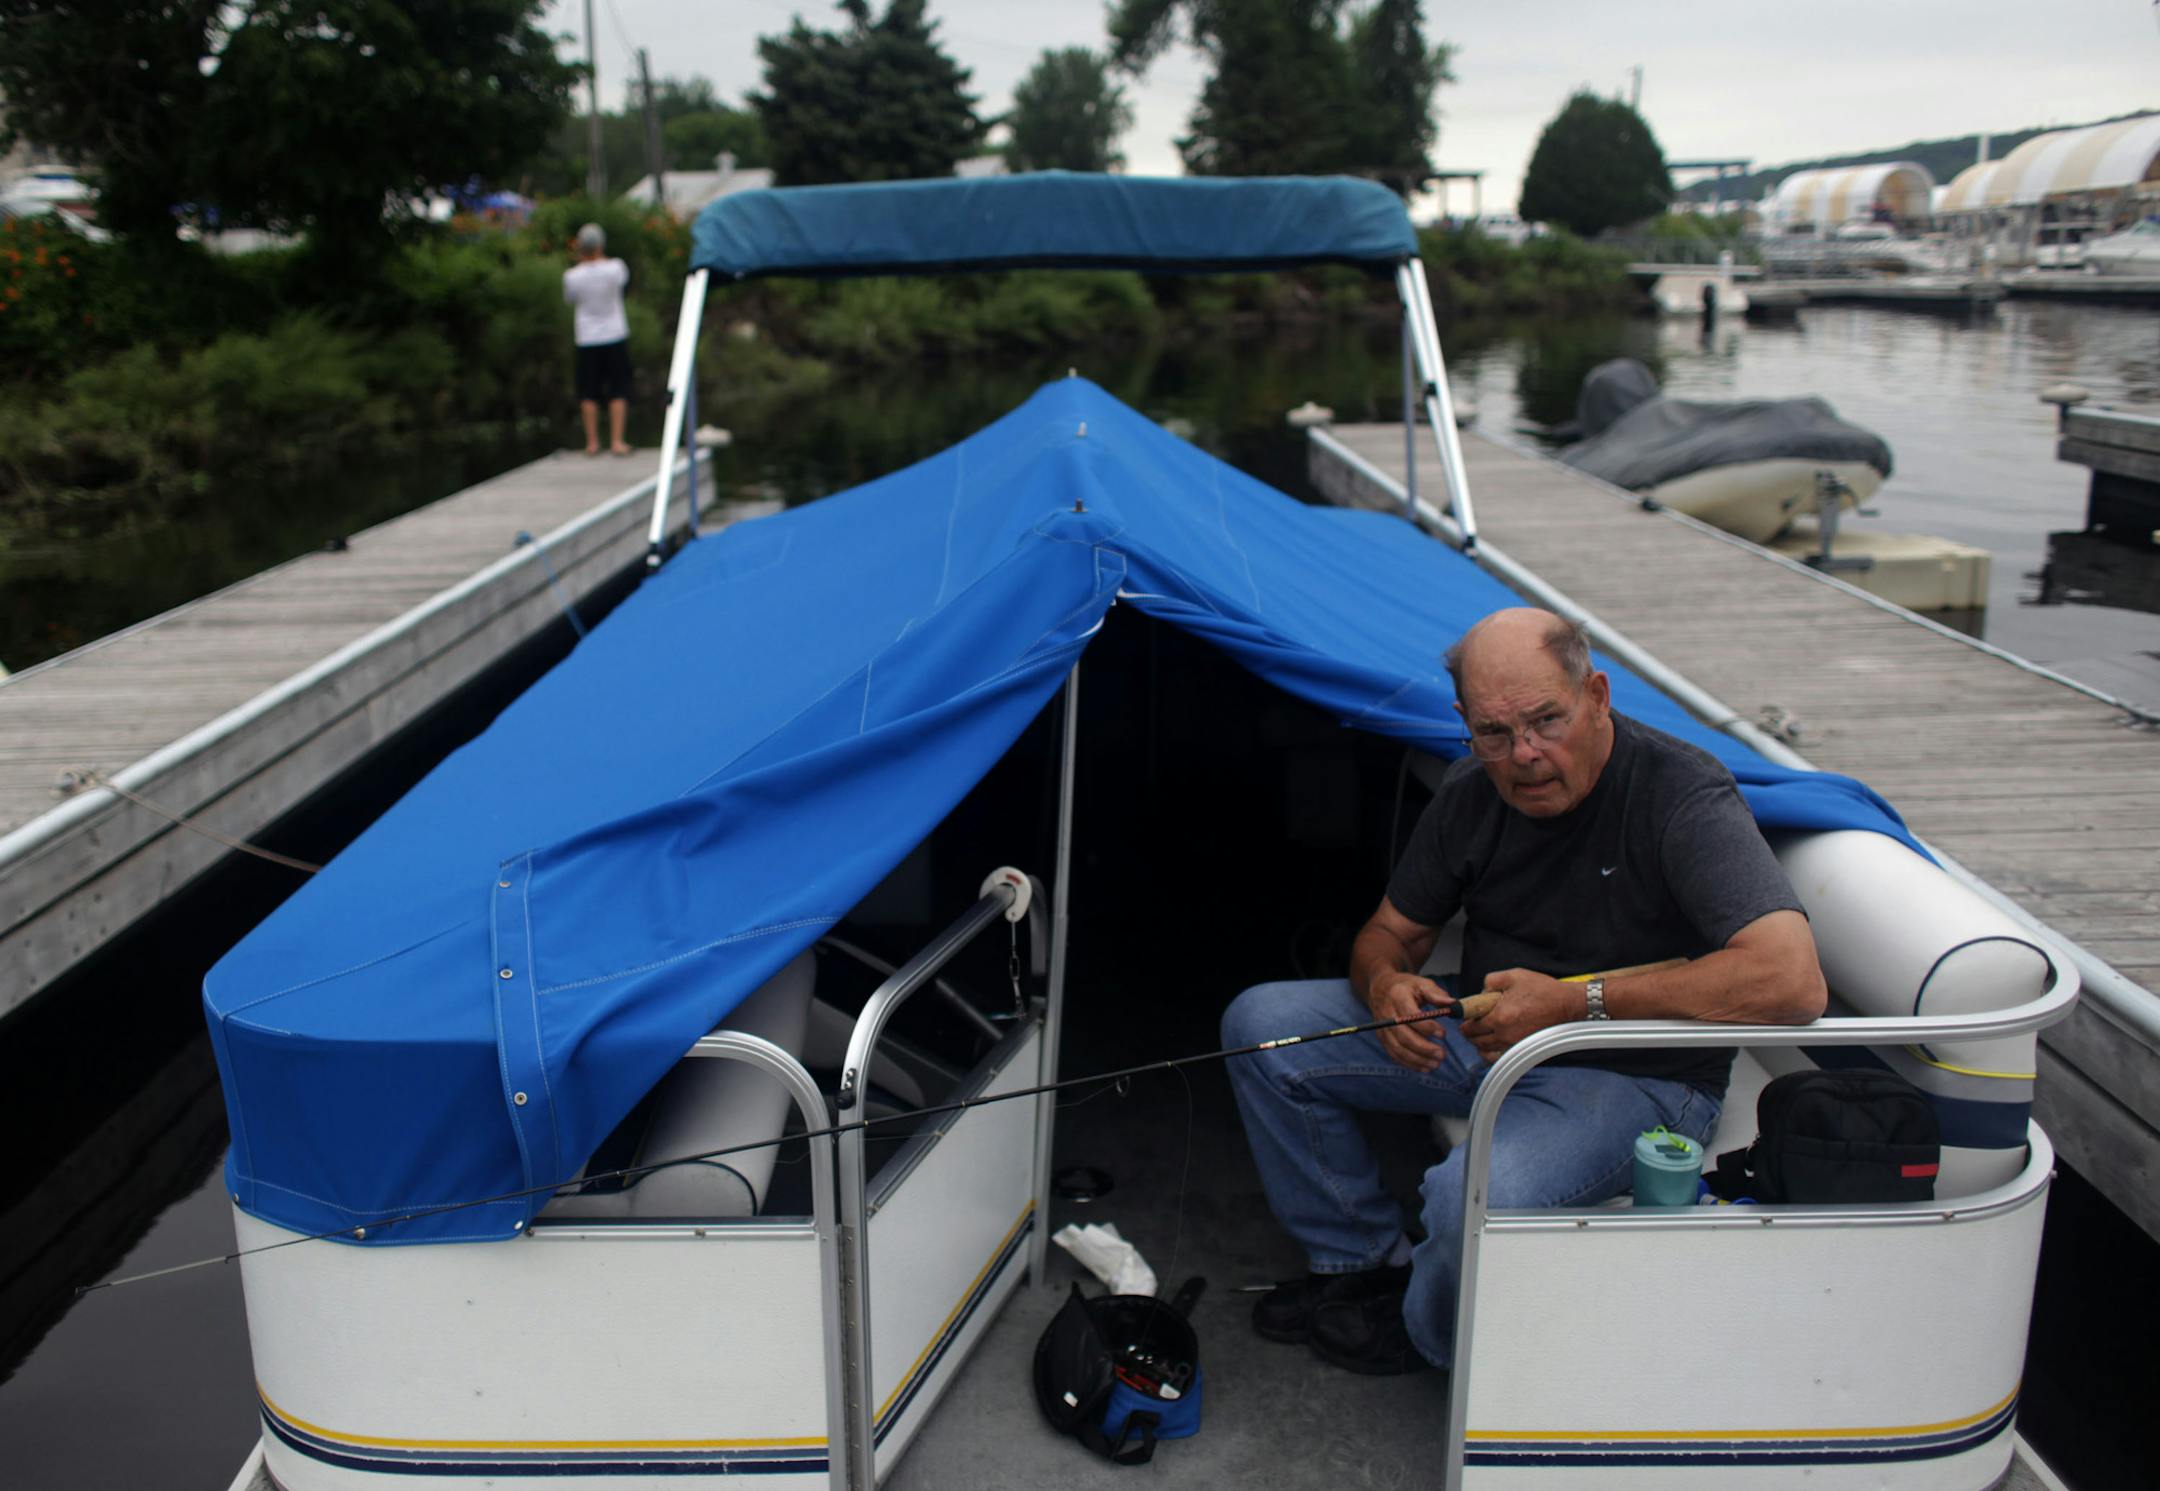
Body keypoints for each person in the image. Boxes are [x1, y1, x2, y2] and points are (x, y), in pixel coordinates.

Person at [1221, 607, 1826, 1376]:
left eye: (1546, 720)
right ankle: (1360, 1260)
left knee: (1460, 1193)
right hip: (1482, 1028)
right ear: (1465, 725)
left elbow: (1792, 979)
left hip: (1637, 1074)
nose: (1526, 756)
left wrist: (1573, 1004)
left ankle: (1423, 1337)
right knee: (1262, 1028)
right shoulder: (1475, 789)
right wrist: (1385, 988)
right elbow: (1389, 933)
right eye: (1495, 733)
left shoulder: (1682, 793)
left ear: (1598, 694)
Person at [563, 223, 633, 457]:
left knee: (588, 391)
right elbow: (622, 287)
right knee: (618, 389)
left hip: (587, 338)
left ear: (580, 247)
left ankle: (592, 443)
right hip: (615, 334)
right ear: (601, 244)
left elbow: (570, 299)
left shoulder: (572, 276)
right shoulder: (616, 268)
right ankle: (617, 441)